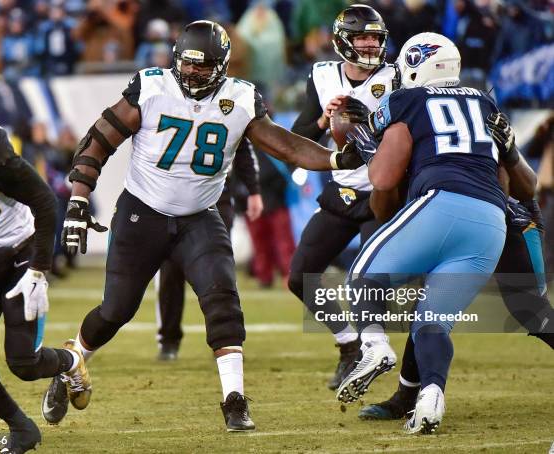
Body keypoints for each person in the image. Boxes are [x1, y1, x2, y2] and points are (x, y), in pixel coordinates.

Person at [40, 20, 359, 432]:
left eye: (203, 67)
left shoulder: (240, 98)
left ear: (223, 66)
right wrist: (80, 199)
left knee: (222, 301)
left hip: (200, 219)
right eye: (187, 65)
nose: (192, 74)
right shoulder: (152, 87)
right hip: (142, 214)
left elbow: (282, 143)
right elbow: (98, 139)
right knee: (116, 310)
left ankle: (234, 400)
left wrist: (333, 159)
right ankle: (71, 363)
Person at [334, 33, 537, 434]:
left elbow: (384, 177)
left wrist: (366, 144)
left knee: (362, 276)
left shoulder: (405, 100)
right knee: (432, 321)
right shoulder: (483, 102)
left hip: (442, 205)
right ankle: (430, 398)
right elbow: (522, 185)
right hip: (492, 222)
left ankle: (374, 348)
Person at [0, 75, 90, 454]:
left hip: (20, 252)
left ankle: (70, 361)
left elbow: (44, 200)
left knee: (23, 363)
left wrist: (40, 269)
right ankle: (21, 428)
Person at [288, 4, 399, 391]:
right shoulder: (322, 76)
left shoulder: (397, 77)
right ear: (342, 42)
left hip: (383, 194)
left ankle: (397, 370)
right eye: (362, 37)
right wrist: (324, 119)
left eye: (375, 37)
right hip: (341, 191)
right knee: (300, 276)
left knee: (371, 282)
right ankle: (349, 344)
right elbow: (301, 136)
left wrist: (367, 121)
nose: (370, 43)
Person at [155, 137, 262, 361]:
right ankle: (168, 339)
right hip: (174, 201)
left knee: (218, 273)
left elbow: (243, 149)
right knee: (170, 272)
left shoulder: (232, 106)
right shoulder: (173, 104)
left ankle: (226, 340)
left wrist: (254, 190)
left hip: (217, 200)